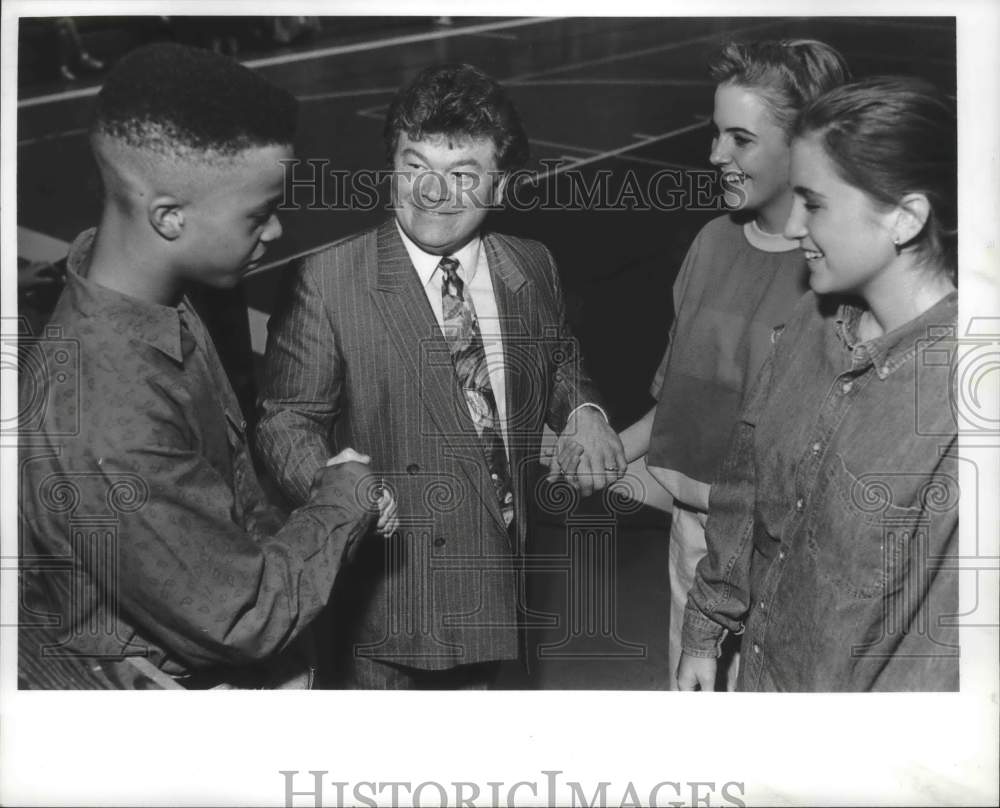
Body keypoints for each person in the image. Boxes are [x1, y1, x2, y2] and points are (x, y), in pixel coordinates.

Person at [19, 43, 396, 690]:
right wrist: (346, 497)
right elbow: (244, 613)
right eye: (257, 213)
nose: (275, 231)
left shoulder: (158, 294)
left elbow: (228, 492)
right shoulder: (109, 418)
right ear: (168, 217)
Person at [256, 63, 626, 689]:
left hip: (494, 584)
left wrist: (584, 412)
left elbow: (559, 352)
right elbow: (285, 419)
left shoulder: (531, 265)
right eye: (415, 164)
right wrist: (339, 490)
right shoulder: (330, 279)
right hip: (388, 602)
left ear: (501, 186)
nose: (432, 192)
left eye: (462, 175)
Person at [678, 76, 959, 691]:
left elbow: (932, 667)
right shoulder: (811, 320)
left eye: (816, 202)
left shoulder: (960, 407)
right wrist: (706, 626)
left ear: (906, 218)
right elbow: (746, 483)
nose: (795, 223)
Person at [617, 40, 850, 690]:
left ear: (804, 145)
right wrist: (608, 448)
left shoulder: (835, 274)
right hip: (695, 543)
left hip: (787, 552)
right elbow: (680, 400)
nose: (716, 154)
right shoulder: (711, 243)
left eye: (740, 139)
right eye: (716, 134)